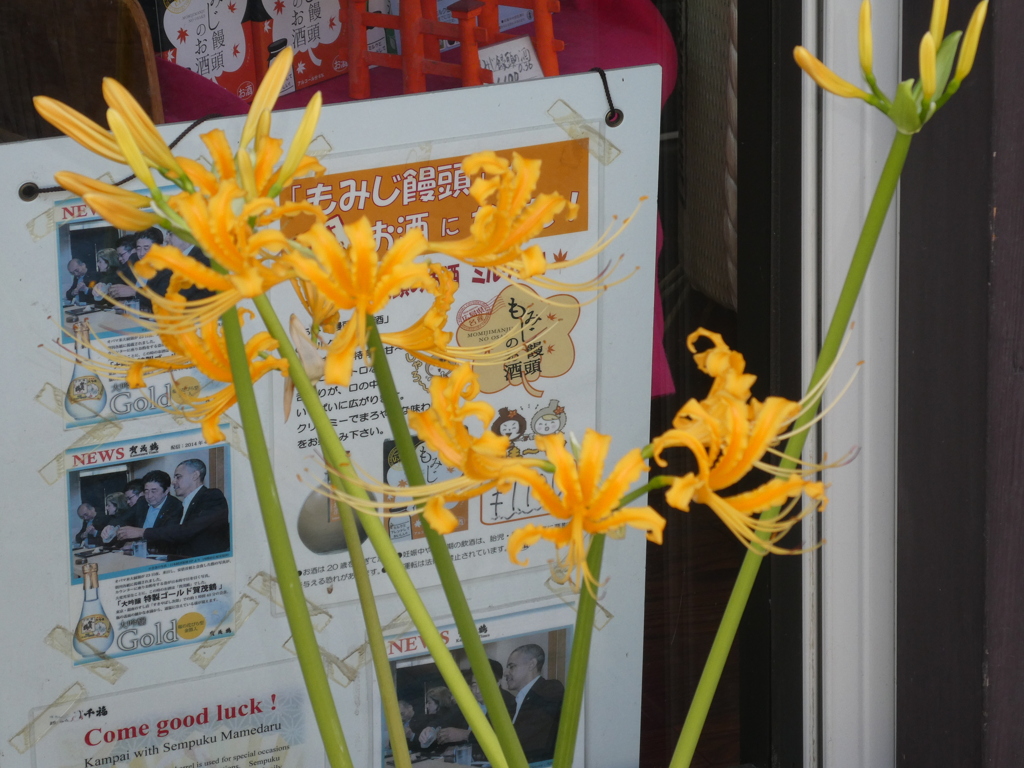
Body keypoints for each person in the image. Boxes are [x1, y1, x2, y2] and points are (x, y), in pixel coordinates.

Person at [118, 459, 230, 559]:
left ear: (195, 475)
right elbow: (172, 535)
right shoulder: (185, 504)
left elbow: (186, 531)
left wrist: (142, 532)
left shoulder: (211, 496)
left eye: (178, 476)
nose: (173, 482)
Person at [436, 658, 516, 747]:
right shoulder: (468, 703)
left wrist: (465, 734)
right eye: (474, 685)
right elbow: (444, 719)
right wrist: (431, 729)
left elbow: (498, 737)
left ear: (497, 683)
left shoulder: (509, 703)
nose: (477, 691)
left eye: (482, 685)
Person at [505, 644, 564, 762]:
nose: (506, 673)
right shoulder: (514, 702)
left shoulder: (549, 689)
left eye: (512, 666)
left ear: (531, 664)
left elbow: (525, 736)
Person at [112, 470, 183, 554]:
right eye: (146, 491)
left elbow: (167, 537)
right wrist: (111, 526)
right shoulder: (142, 502)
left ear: (166, 491)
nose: (149, 496)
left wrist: (136, 544)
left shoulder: (176, 506)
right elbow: (123, 518)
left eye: (154, 491)